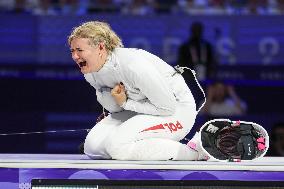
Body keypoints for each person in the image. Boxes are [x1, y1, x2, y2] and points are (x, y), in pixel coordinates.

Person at [68, 21, 202, 160]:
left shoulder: (132, 64)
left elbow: (167, 107)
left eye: (79, 50)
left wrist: (125, 104)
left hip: (176, 112)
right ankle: (145, 147)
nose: (75, 56)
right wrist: (118, 107)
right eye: (72, 51)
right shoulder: (90, 72)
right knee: (93, 147)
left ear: (101, 47)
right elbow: (117, 107)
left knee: (117, 147)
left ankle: (197, 152)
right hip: (141, 110)